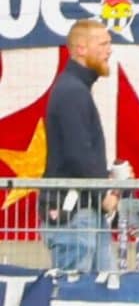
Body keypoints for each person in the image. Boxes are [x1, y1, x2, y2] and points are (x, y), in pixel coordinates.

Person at [42, 16, 118, 270]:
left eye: (109, 44)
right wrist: (103, 194)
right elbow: (77, 154)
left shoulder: (74, 89)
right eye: (103, 44)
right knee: (73, 289)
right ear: (80, 49)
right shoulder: (72, 91)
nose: (109, 50)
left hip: (83, 212)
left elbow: (79, 153)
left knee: (97, 288)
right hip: (75, 216)